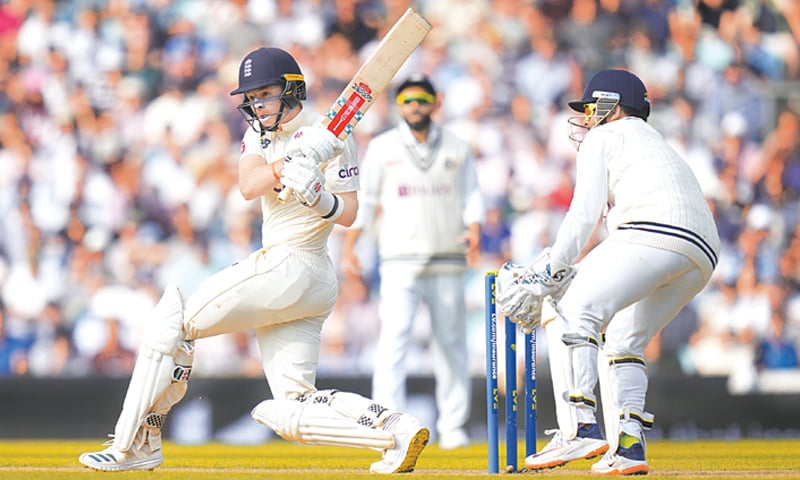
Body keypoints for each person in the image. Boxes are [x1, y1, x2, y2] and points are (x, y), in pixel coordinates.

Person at [78, 47, 429, 475]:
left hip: (297, 263)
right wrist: (287, 166)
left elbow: (350, 213)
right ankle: (395, 429)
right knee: (291, 408)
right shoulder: (260, 135)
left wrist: (319, 199)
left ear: (291, 89)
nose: (256, 105)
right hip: (298, 281)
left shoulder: (332, 136)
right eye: (251, 97)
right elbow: (248, 184)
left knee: (173, 319)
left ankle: (134, 445)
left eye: (265, 94)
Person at [497, 69, 720, 475]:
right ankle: (630, 447)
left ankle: (580, 425)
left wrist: (547, 270)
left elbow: (583, 216)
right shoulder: (658, 142)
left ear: (611, 106)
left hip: (651, 233)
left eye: (589, 109)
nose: (584, 119)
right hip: (701, 252)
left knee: (567, 305)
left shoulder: (604, 137)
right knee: (622, 341)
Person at [341, 74, 485, 450]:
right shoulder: (383, 147)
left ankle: (453, 427)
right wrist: (350, 246)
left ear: (436, 103)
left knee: (450, 343)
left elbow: (471, 195)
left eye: (422, 99)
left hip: (446, 257)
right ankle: (387, 425)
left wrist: (474, 228)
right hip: (399, 259)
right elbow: (367, 201)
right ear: (398, 105)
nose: (415, 106)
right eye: (407, 100)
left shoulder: (457, 146)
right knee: (393, 341)